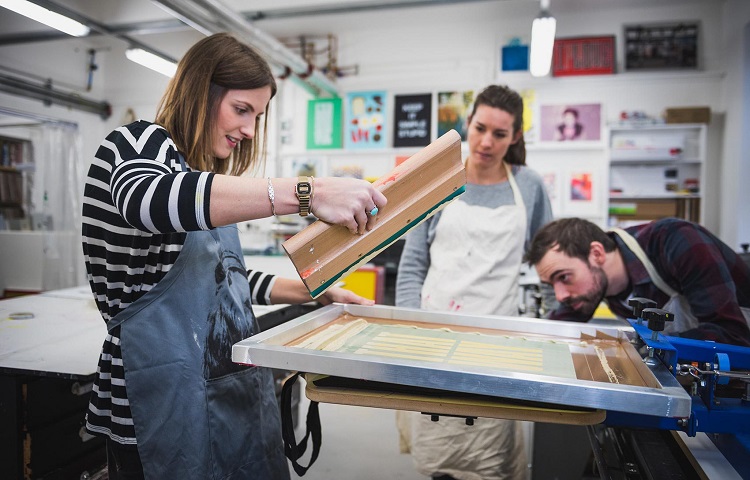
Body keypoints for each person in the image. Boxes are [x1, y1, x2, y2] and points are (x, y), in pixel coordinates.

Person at [81, 33, 387, 480]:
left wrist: (312, 294)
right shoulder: (139, 144)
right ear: (199, 91)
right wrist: (309, 191)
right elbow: (148, 201)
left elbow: (225, 279)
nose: (248, 130)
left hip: (224, 389)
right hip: (156, 398)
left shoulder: (201, 179)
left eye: (256, 116)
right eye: (241, 110)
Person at [395, 84, 554, 480]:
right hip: (434, 338)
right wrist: (408, 333)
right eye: (480, 128)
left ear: (515, 136)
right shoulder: (439, 180)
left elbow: (550, 260)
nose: (486, 142)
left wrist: (559, 325)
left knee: (488, 453)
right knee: (438, 449)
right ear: (467, 123)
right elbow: (412, 265)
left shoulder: (529, 186)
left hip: (496, 344)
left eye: (500, 134)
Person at [525, 217, 750, 347]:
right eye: (551, 284)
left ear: (596, 254)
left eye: (563, 278)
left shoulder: (675, 241)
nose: (561, 295)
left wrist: (644, 350)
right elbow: (557, 328)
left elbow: (731, 333)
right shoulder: (595, 283)